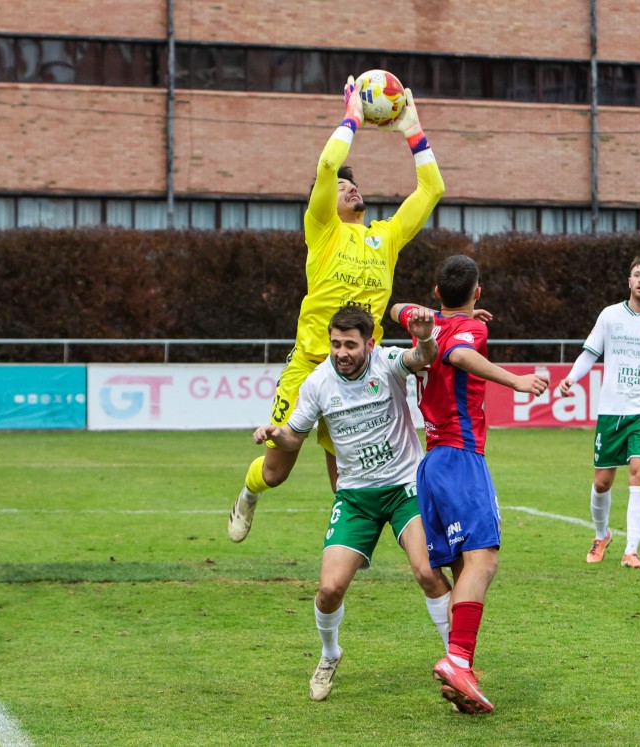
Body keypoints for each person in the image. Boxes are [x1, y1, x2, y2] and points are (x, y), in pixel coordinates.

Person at [229, 73, 445, 543]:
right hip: (310, 364)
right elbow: (329, 166)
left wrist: (413, 129)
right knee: (275, 471)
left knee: (345, 478)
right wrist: (351, 116)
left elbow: (432, 191)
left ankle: (350, 548)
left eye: (353, 184)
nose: (349, 188)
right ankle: (248, 494)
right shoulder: (322, 230)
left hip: (364, 372)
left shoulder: (385, 236)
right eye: (342, 187)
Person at [252, 305, 452, 702]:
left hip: (404, 488)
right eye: (335, 343)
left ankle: (456, 661)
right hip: (355, 497)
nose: (340, 352)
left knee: (427, 573)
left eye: (349, 344)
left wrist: (426, 337)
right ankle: (329, 656)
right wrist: (276, 434)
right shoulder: (318, 381)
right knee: (328, 589)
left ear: (369, 344)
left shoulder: (387, 362)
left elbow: (422, 357)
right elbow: (296, 435)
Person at [391, 255, 549, 714]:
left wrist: (435, 319)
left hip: (432, 462)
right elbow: (458, 354)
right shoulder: (471, 332)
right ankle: (458, 658)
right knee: (484, 560)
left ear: (437, 293)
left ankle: (462, 677)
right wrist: (515, 380)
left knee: (464, 566)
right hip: (461, 457)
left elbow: (398, 308)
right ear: (478, 292)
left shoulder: (423, 322)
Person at [556, 258, 640, 570]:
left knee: (639, 473)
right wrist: (572, 378)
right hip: (612, 410)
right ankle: (601, 535)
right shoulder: (610, 316)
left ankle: (632, 551)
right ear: (629, 281)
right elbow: (590, 354)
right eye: (636, 275)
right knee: (602, 482)